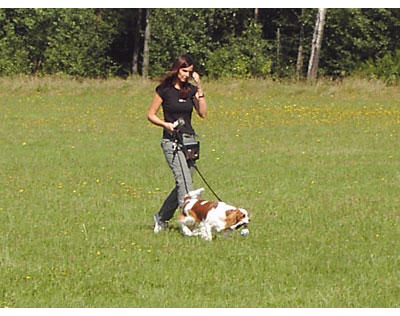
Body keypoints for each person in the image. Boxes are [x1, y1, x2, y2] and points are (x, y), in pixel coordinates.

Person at [147, 55, 207, 233]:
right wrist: (165, 124)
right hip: (171, 142)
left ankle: (161, 217)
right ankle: (189, 224)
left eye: (190, 72)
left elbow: (202, 113)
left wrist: (200, 88)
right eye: (183, 71)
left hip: (189, 141)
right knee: (186, 185)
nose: (186, 75)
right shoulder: (164, 90)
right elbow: (151, 114)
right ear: (176, 69)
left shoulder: (191, 90)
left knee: (183, 183)